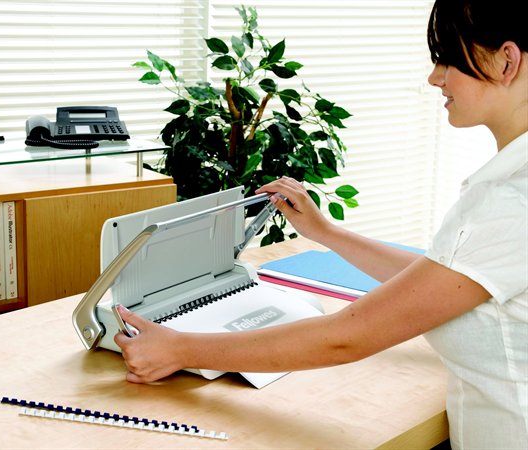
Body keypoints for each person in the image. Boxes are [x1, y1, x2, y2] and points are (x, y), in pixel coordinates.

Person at [114, 0, 527, 448]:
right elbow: (444, 279)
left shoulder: (508, 198)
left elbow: (346, 337)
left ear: (506, 61)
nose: (434, 77)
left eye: (447, 59)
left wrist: (180, 349)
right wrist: (326, 233)